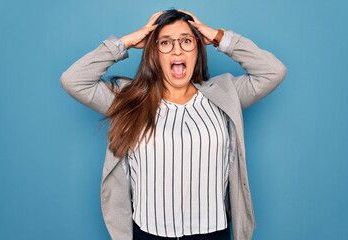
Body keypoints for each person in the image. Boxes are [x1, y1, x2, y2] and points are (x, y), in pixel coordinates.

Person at [60, 9, 286, 240]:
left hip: (212, 232)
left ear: (198, 48)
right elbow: (73, 80)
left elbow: (273, 72)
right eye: (165, 43)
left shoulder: (226, 94)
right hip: (149, 233)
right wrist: (126, 42)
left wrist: (218, 37)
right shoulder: (129, 100)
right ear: (154, 53)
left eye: (187, 41)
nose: (177, 49)